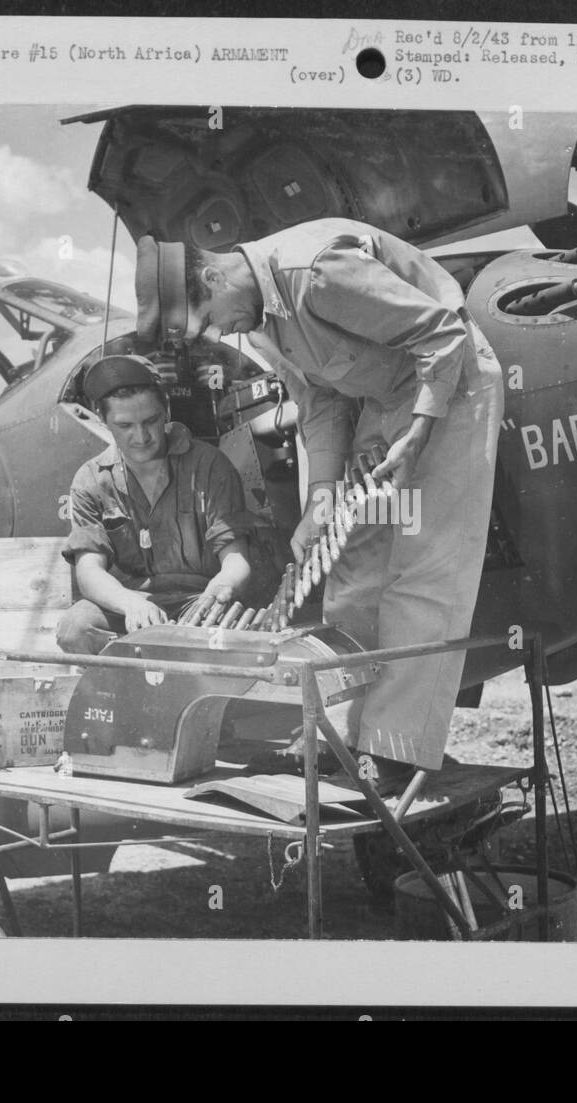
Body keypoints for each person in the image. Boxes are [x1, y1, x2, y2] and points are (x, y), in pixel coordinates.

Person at [134, 219, 504, 792]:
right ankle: (337, 736)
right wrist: (322, 498)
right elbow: (322, 401)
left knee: (422, 571)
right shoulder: (257, 326)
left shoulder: (317, 273)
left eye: (210, 321)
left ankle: (395, 748)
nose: (222, 335)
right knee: (352, 565)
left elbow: (442, 335)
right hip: (385, 400)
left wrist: (422, 431)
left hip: (450, 390)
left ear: (212, 275)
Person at [55, 354, 255, 655]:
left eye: (150, 421)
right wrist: (128, 601)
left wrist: (222, 586)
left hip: (201, 600)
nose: (141, 436)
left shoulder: (209, 464)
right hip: (131, 606)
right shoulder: (90, 480)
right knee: (76, 629)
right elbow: (88, 572)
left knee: (240, 636)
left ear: (166, 411)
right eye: (125, 425)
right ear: (103, 420)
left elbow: (236, 558)